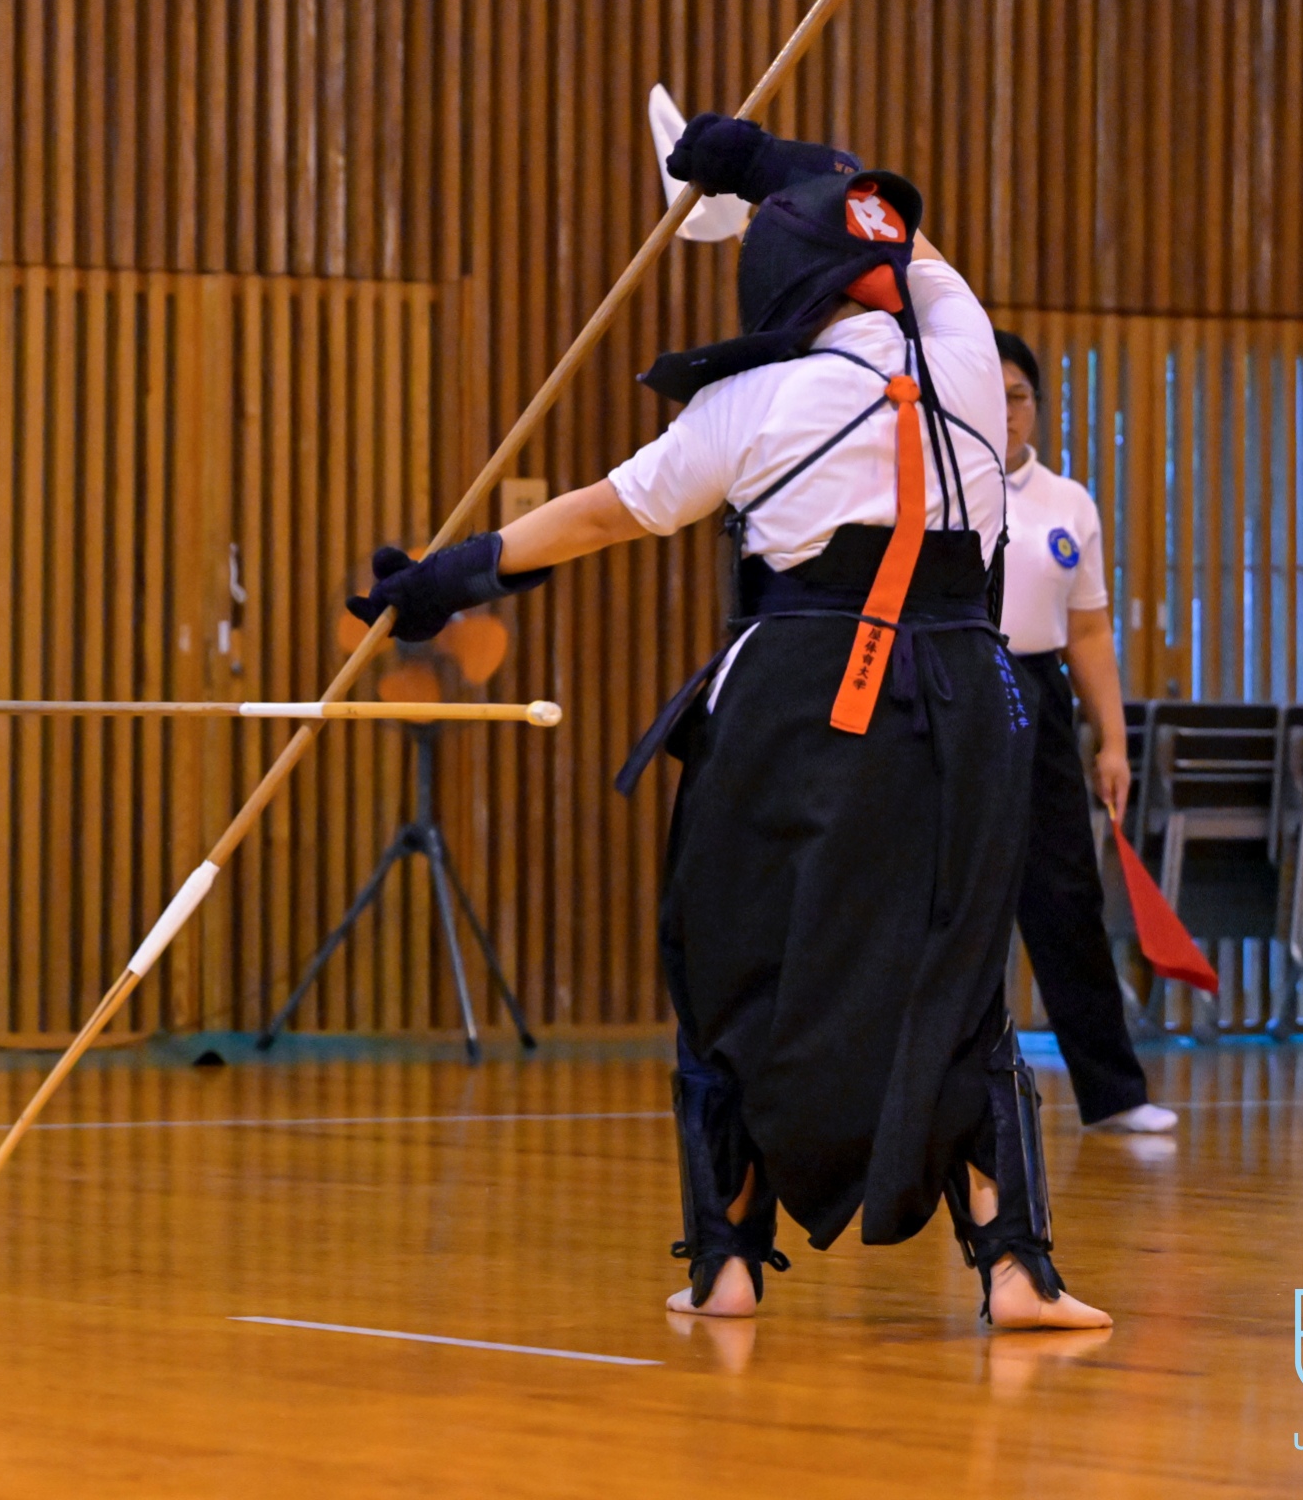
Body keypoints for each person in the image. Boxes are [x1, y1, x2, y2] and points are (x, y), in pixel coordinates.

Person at [347, 116, 1108, 1330]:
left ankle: (727, 1260)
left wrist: (447, 577)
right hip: (969, 698)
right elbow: (901, 236)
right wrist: (760, 162)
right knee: (956, 971)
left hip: (799, 697)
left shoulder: (753, 400)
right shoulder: (966, 351)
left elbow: (599, 515)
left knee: (731, 960)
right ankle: (1015, 1264)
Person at [993, 330, 1176, 1135]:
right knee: (941, 901)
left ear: (1035, 406)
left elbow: (1090, 631)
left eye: (1016, 396)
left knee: (1065, 892)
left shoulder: (1067, 500)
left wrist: (1112, 740)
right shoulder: (932, 488)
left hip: (1037, 692)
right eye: (987, 394)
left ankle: (1113, 1093)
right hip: (949, 688)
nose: (1003, 411)